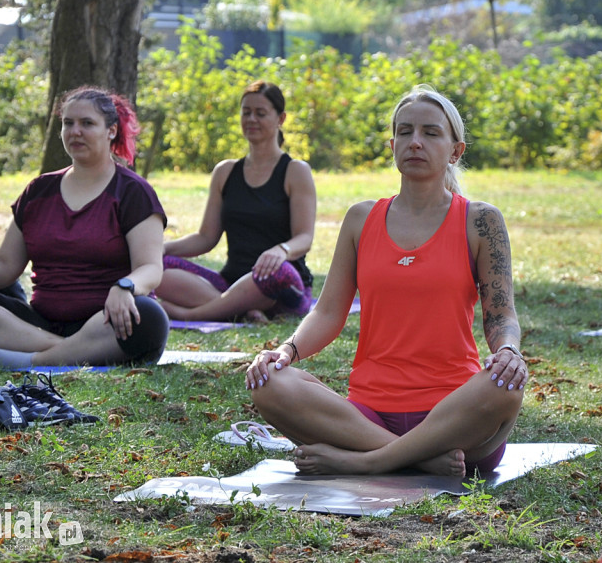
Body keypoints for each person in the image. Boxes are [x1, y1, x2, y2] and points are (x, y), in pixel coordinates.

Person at [245, 85, 526, 477]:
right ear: (392, 145)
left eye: (430, 133)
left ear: (455, 151)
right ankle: (418, 459)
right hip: (367, 417)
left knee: (505, 384)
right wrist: (286, 352)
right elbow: (327, 313)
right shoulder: (361, 219)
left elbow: (501, 316)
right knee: (268, 383)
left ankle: (370, 463)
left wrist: (509, 351)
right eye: (406, 132)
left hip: (455, 417)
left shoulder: (480, 220)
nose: (415, 142)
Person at [0, 87, 169, 369]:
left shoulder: (133, 192)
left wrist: (125, 287)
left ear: (111, 131)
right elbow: (4, 264)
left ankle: (32, 360)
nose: (75, 131)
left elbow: (151, 268)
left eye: (87, 123)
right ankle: (64, 353)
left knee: (149, 316)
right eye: (68, 123)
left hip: (106, 321)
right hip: (37, 326)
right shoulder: (39, 190)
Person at [157, 80, 316, 323]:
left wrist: (281, 251)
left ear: (280, 119)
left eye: (260, 113)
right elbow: (206, 238)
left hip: (281, 283)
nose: (251, 119)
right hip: (230, 284)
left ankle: (188, 314)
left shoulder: (295, 171)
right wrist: (161, 249)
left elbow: (304, 238)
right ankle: (242, 311)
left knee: (276, 272)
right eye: (246, 112)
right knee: (160, 266)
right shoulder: (225, 171)